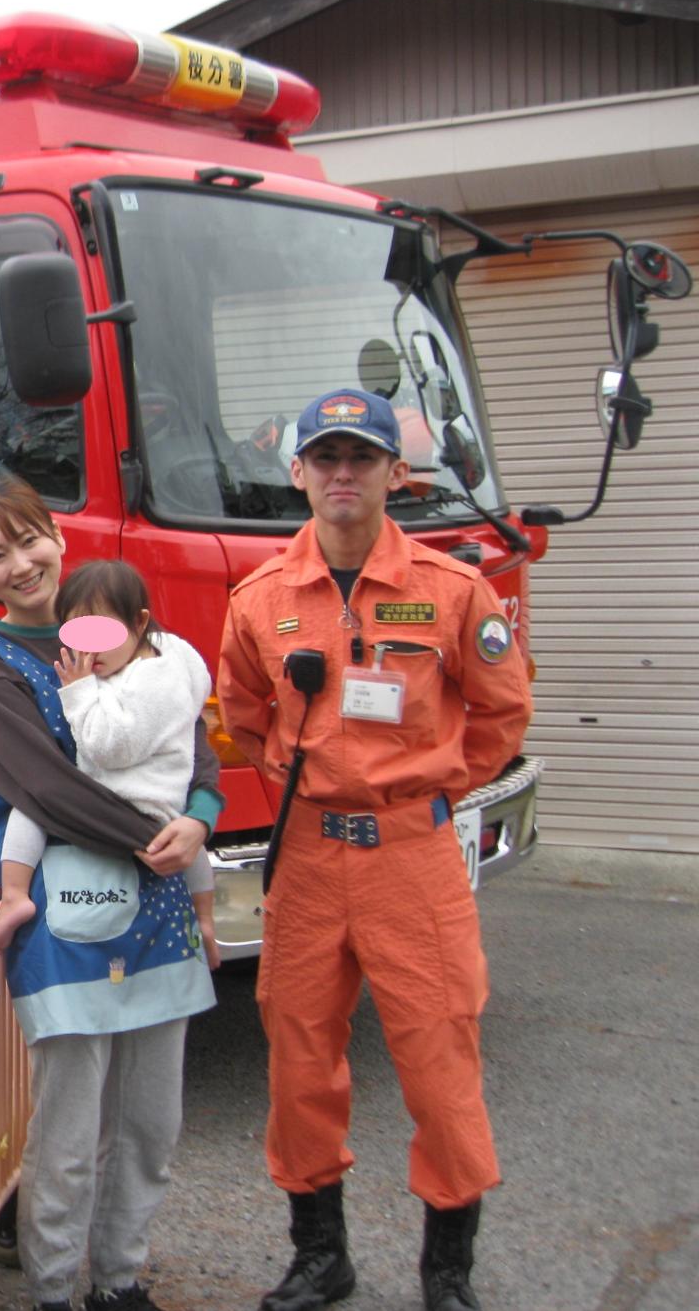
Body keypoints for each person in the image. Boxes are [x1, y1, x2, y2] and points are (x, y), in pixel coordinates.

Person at [217, 388, 532, 1311]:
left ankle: (448, 1276)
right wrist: (309, 780)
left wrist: (425, 786)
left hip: (411, 859)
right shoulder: (262, 599)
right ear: (299, 474)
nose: (343, 474)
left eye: (362, 458)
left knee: (439, 1062)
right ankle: (321, 1257)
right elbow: (242, 715)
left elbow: (502, 714)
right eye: (326, 458)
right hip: (311, 858)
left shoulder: (452, 591)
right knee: (300, 1060)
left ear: (398, 473)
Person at [0, 476, 219, 1311]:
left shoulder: (132, 624)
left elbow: (191, 739)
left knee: (149, 1123)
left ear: (58, 538)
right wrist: (156, 838)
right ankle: (56, 1290)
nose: (21, 563)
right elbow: (46, 789)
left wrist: (203, 819)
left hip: (164, 909)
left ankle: (123, 1276)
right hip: (65, 918)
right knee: (71, 1132)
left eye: (30, 540)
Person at [0, 560, 223, 969]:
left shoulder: (151, 681)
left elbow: (108, 747)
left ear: (140, 622)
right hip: (169, 808)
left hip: (129, 803)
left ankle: (14, 897)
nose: (88, 651)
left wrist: (79, 692)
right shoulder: (166, 659)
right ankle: (204, 920)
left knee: (30, 807)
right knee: (194, 846)